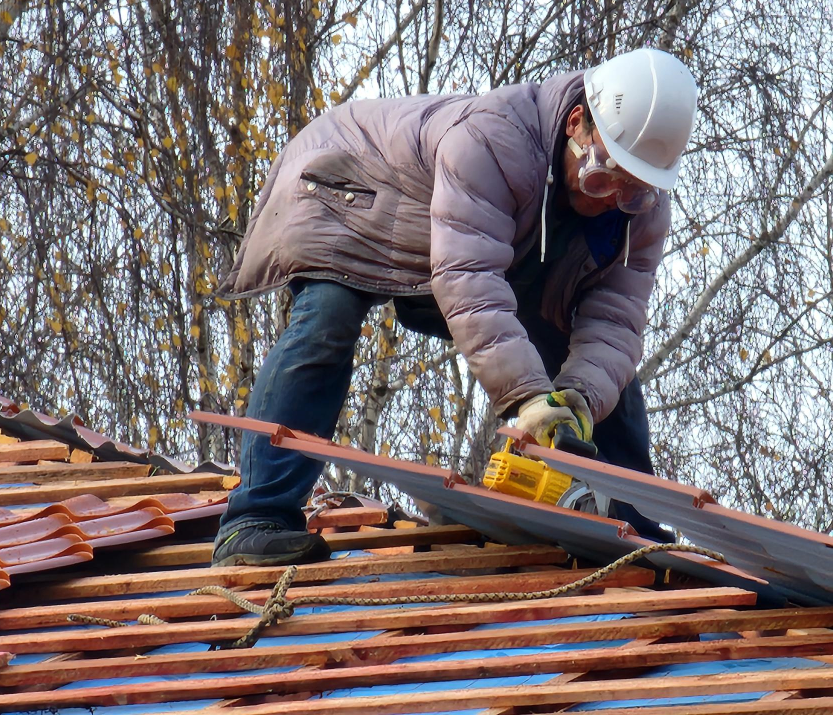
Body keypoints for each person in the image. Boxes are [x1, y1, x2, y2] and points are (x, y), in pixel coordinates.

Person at [211, 48, 698, 566]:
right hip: (351, 189)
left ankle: (631, 525)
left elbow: (615, 323)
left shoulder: (640, 209)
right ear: (578, 123)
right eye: (602, 180)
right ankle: (254, 519)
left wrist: (578, 399)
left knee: (609, 378)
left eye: (631, 191)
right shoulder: (495, 138)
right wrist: (530, 396)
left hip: (469, 242)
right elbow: (469, 276)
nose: (609, 200)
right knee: (327, 318)